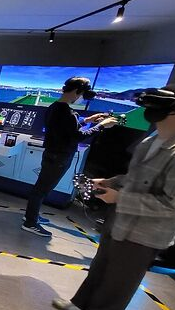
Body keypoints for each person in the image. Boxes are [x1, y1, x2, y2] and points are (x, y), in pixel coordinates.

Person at [53, 81, 175, 310]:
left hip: (145, 233)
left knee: (122, 278)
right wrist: (110, 182)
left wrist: (120, 198)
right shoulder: (153, 139)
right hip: (120, 222)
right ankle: (82, 304)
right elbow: (136, 177)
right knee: (101, 266)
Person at [22, 77, 119, 237]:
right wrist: (101, 126)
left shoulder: (55, 107)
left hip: (52, 154)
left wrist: (87, 120)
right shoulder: (66, 112)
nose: (81, 98)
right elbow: (77, 136)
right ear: (76, 91)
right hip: (59, 157)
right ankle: (30, 223)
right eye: (81, 94)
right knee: (41, 190)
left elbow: (66, 129)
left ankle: (30, 216)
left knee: (41, 188)